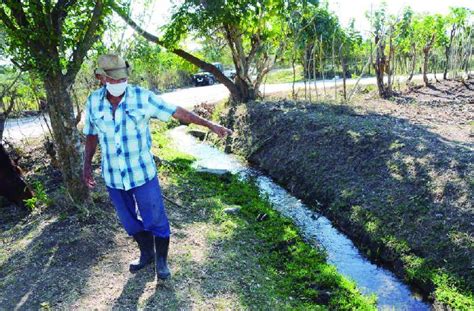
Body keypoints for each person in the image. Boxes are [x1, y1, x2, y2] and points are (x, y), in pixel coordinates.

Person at [82, 54, 232, 280]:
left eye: (122, 79)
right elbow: (91, 135)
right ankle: (147, 254)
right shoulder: (93, 102)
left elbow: (176, 111)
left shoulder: (142, 97)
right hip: (113, 176)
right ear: (100, 78)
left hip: (142, 173)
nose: (119, 84)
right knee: (129, 223)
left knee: (155, 220)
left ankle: (161, 261)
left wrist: (209, 124)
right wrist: (86, 165)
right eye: (113, 80)